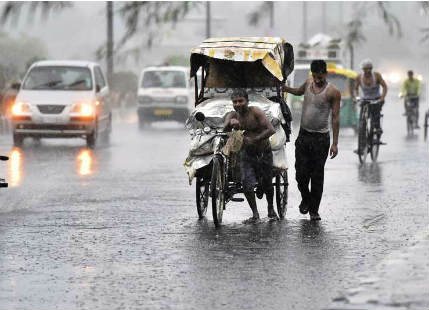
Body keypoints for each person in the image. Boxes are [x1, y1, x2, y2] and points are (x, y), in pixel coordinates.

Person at [282, 59, 341, 221]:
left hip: (321, 139)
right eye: (315, 76)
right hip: (304, 136)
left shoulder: (333, 92)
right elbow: (299, 92)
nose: (317, 80)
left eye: (320, 76)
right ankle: (306, 198)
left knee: (316, 176)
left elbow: (335, 118)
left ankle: (314, 210)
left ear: (326, 74)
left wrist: (335, 144)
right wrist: (284, 88)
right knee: (300, 174)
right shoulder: (308, 82)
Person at [224, 89, 277, 223]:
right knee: (247, 184)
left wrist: (256, 139)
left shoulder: (255, 112)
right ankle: (255, 215)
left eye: (240, 101)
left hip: (263, 152)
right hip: (246, 154)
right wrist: (231, 124)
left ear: (247, 101)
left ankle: (271, 208)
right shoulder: (232, 115)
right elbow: (224, 128)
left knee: (267, 183)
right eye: (235, 102)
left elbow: (271, 129)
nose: (238, 104)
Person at [354, 59, 388, 134]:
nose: (368, 70)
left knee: (376, 114)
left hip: (376, 98)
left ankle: (377, 127)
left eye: (370, 68)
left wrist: (382, 98)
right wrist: (357, 97)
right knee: (363, 115)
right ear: (363, 69)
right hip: (365, 99)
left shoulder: (377, 75)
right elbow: (356, 89)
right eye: (366, 69)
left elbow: (385, 87)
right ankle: (362, 128)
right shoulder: (359, 77)